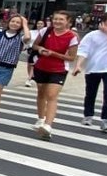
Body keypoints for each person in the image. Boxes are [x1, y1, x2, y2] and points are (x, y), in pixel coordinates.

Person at [73, 11, 107, 133]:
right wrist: (78, 65)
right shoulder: (92, 35)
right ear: (103, 22)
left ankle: (106, 120)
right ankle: (88, 116)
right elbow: (83, 50)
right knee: (90, 93)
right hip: (93, 68)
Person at [31, 9, 79, 140]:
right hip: (41, 66)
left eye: (61, 19)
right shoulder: (45, 31)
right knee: (41, 92)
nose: (57, 22)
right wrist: (40, 49)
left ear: (68, 22)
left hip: (58, 69)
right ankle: (41, 118)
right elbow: (34, 45)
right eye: (55, 19)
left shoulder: (72, 37)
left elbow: (71, 57)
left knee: (51, 95)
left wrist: (53, 54)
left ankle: (48, 125)